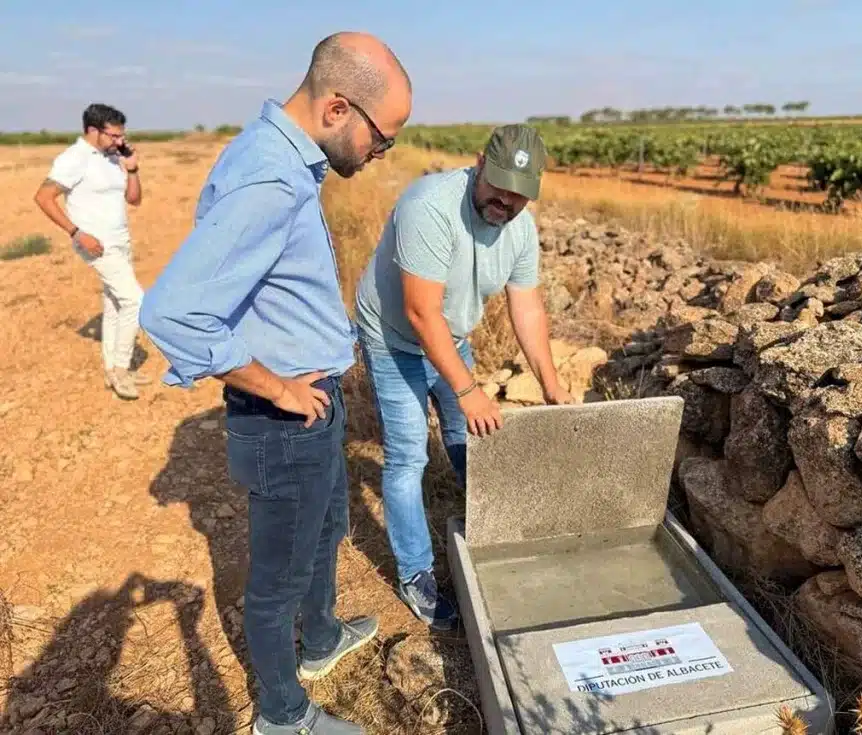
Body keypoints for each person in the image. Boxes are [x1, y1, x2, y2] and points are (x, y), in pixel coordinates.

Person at [138, 32, 412, 735]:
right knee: (276, 582)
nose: (382, 154)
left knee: (326, 531)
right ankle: (283, 715)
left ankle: (318, 640)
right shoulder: (268, 175)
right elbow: (173, 311)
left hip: (310, 405)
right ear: (337, 109)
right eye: (383, 138)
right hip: (283, 418)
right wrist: (277, 386)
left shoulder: (288, 161)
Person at [353, 123, 575, 632]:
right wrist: (469, 389)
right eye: (498, 186)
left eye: (519, 194)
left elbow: (528, 309)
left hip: (448, 332)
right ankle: (416, 574)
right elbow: (419, 313)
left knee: (462, 433)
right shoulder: (429, 205)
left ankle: (486, 526)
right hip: (394, 334)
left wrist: (550, 383)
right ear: (479, 163)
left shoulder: (520, 230)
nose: (505, 201)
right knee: (409, 452)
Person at [34, 102, 149, 400]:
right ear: (92, 130)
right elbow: (44, 197)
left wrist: (132, 169)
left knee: (114, 304)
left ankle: (112, 368)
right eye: (112, 135)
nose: (118, 141)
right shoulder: (73, 158)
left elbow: (134, 200)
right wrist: (76, 233)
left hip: (120, 239)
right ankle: (121, 370)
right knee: (135, 301)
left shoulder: (111, 158)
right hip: (95, 243)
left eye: (121, 135)